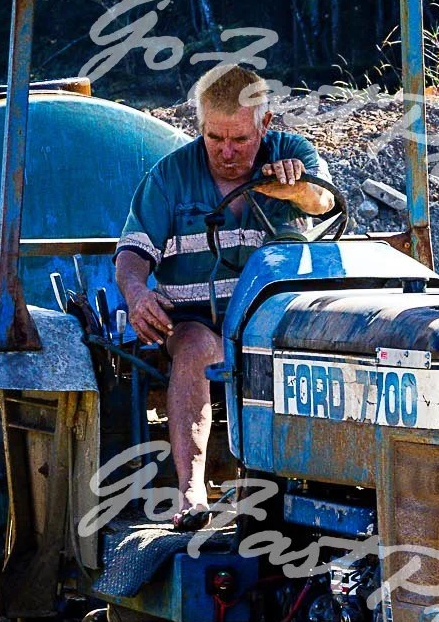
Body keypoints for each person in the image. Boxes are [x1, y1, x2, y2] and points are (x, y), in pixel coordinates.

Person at [114, 64, 335, 526]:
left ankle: (316, 493)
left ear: (266, 124)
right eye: (215, 139)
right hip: (199, 320)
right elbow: (133, 252)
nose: (227, 153)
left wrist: (289, 188)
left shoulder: (292, 155)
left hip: (275, 321)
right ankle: (191, 492)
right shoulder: (170, 177)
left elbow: (324, 202)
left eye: (240, 140)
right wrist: (136, 293)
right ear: (200, 127)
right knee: (194, 348)